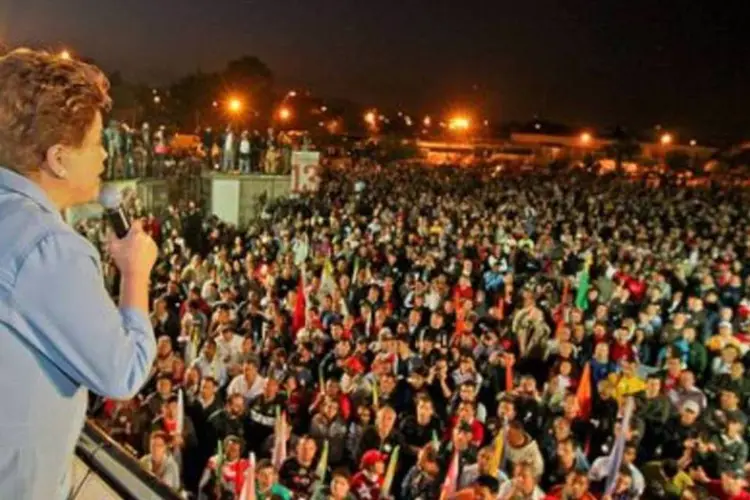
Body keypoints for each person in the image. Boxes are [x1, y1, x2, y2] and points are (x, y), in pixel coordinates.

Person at [0, 48, 158, 499]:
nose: (105, 154)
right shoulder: (49, 248)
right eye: (94, 141)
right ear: (58, 158)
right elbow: (122, 373)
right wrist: (135, 273)